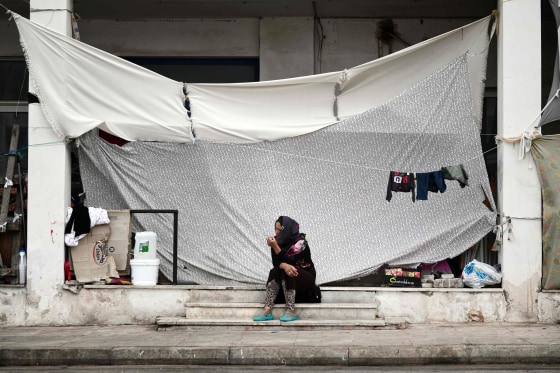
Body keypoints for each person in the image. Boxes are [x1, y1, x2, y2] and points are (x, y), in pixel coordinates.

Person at [253, 216, 320, 322]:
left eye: (280, 229)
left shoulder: (300, 243)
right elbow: (276, 263)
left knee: (289, 270)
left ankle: (291, 310)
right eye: (275, 228)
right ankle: (267, 309)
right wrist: (283, 264)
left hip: (306, 276)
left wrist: (275, 247)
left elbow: (291, 261)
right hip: (288, 272)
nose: (276, 232)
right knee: (275, 271)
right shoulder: (277, 241)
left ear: (288, 229)